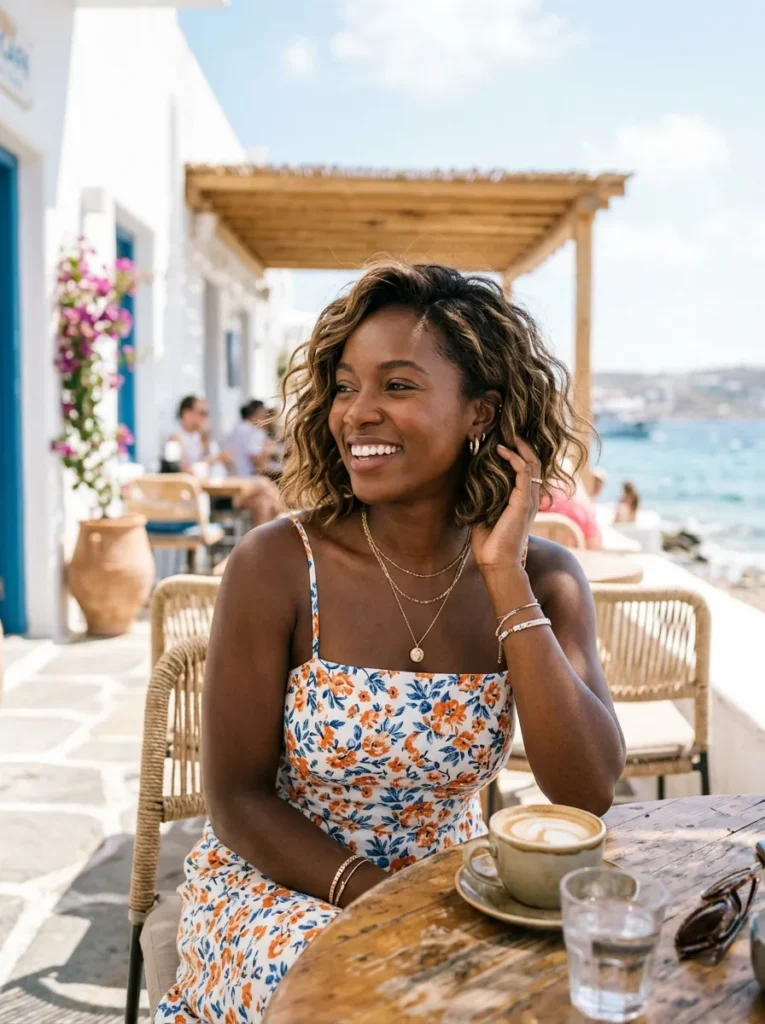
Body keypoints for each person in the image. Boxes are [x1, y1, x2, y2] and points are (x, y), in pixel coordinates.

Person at [156, 262, 626, 1024]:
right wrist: (380, 900)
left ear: (480, 415)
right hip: (282, 890)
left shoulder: (545, 576)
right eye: (346, 386)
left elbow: (587, 791)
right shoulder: (277, 564)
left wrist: (502, 576)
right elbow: (236, 798)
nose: (357, 413)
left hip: (455, 888)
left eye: (397, 386)